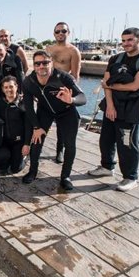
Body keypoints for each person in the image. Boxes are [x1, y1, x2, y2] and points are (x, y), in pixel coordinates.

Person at [87, 27, 139, 192]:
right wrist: (110, 105)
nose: (125, 44)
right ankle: (106, 167)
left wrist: (110, 85)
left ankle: (130, 177)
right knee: (106, 139)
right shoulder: (115, 58)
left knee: (127, 144)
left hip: (131, 108)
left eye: (130, 40)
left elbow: (134, 86)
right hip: (112, 105)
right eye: (123, 40)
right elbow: (106, 83)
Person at [22, 51, 86, 190]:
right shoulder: (29, 82)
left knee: (70, 144)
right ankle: (33, 171)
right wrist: (36, 127)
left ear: (51, 62)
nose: (41, 66)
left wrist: (72, 100)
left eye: (45, 62)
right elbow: (28, 108)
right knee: (37, 141)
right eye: (37, 63)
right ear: (34, 65)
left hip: (67, 112)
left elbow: (83, 97)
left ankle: (65, 176)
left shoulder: (63, 77)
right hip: (45, 111)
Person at [46, 22, 82, 164]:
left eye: (63, 31)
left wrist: (69, 94)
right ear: (54, 33)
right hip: (48, 90)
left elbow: (75, 75)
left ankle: (59, 149)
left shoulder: (73, 51)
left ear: (68, 33)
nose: (60, 33)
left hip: (63, 90)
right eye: (58, 31)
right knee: (44, 119)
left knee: (62, 124)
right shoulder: (48, 48)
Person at [0, 76, 31, 175]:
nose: (9, 90)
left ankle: (26, 156)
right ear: (3, 89)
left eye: (11, 87)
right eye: (6, 87)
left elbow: (29, 126)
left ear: (16, 87)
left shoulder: (24, 103)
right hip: (5, 141)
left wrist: (27, 144)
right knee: (1, 159)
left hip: (19, 141)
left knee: (15, 169)